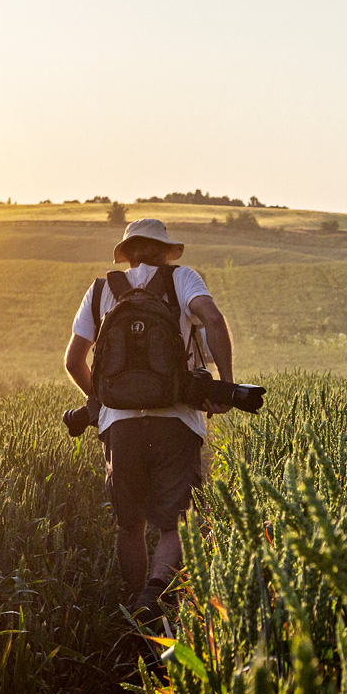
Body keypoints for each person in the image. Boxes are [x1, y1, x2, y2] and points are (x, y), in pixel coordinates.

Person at [63, 218, 234, 620]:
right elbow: (212, 318)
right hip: (175, 419)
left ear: (128, 252)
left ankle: (132, 608)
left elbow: (73, 360)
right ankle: (156, 595)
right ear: (164, 250)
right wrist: (226, 385)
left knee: (129, 524)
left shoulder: (102, 289)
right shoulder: (182, 279)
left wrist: (98, 401)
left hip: (118, 425)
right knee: (174, 522)